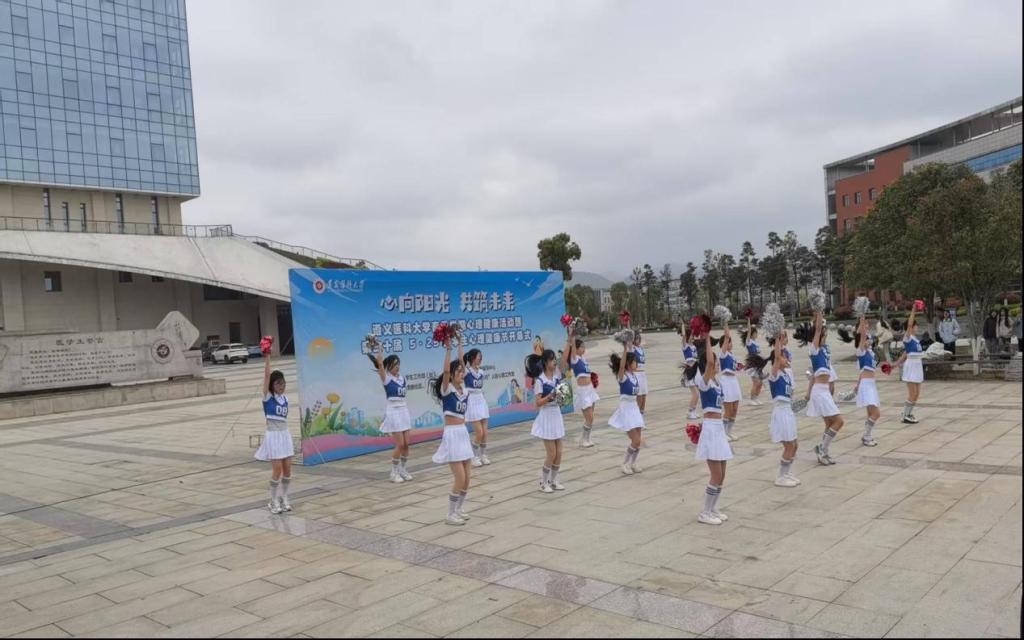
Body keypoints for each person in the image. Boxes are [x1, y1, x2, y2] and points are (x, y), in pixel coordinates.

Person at [685, 332, 733, 525]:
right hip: (711, 429)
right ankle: (705, 512)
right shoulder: (703, 383)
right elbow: (711, 362)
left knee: (723, 473)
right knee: (716, 474)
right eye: (714, 363)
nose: (717, 364)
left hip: (719, 428)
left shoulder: (716, 382)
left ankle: (713, 508)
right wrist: (706, 338)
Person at [430, 337, 474, 526]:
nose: (462, 374)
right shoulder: (447, 390)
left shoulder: (464, 391)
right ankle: (450, 514)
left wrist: (460, 342)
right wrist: (449, 349)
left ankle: (459, 509)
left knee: (467, 478)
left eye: (462, 372)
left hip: (463, 432)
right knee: (460, 477)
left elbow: (462, 362)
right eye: (459, 372)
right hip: (452, 434)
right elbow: (447, 371)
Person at [528, 330, 573, 492]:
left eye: (555, 359)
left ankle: (554, 480)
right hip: (546, 415)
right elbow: (537, 403)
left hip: (556, 414)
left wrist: (569, 338)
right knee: (551, 453)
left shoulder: (556, 375)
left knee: (559, 452)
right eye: (552, 359)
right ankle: (543, 482)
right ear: (546, 362)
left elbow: (565, 358)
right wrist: (549, 397)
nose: (555, 362)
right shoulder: (540, 380)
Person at [255, 351, 295, 514]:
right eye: (278, 384)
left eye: (283, 383)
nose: (281, 386)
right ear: (272, 385)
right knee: (277, 470)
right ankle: (273, 500)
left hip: (284, 434)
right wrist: (267, 357)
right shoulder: (268, 397)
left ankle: (284, 497)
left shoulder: (286, 399)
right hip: (273, 435)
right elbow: (266, 376)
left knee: (288, 470)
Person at [369, 347, 413, 484]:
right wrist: (379, 348)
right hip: (393, 411)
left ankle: (402, 469)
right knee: (400, 444)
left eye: (398, 364)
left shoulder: (402, 378)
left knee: (407, 444)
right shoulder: (386, 378)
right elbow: (380, 364)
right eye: (394, 364)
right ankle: (393, 472)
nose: (397, 367)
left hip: (404, 410)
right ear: (389, 366)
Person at [806, 310, 845, 465]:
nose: (824, 337)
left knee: (829, 424)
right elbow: (817, 330)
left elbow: (821, 328)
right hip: (819, 392)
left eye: (825, 335)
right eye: (823, 336)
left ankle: (824, 452)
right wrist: (820, 310)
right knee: (839, 421)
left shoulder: (824, 350)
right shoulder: (814, 349)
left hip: (824, 391)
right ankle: (822, 449)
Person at [766, 332, 800, 487]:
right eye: (784, 358)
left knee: (795, 445)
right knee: (789, 446)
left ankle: (786, 472)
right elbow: (777, 356)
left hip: (788, 411)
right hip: (781, 412)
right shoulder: (774, 375)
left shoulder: (786, 375)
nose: (787, 360)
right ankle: (781, 476)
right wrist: (777, 338)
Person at [608, 338, 645, 475]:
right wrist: (624, 350)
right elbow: (622, 367)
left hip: (634, 408)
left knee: (638, 440)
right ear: (629, 364)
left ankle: (633, 463)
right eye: (634, 362)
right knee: (635, 440)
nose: (636, 363)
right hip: (626, 409)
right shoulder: (623, 377)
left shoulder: (635, 376)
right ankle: (625, 464)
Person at [853, 316, 881, 447]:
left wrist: (857, 386)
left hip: (869, 384)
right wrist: (862, 317)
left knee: (870, 413)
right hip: (867, 385)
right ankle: (866, 436)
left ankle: (867, 435)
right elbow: (862, 335)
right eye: (867, 338)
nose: (869, 340)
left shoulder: (869, 352)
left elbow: (862, 372)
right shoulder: (861, 351)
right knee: (876, 413)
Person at [569, 331, 600, 448]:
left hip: (590, 389)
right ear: (576, 348)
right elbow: (572, 347)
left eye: (584, 347)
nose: (584, 349)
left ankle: (586, 438)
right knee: (589, 417)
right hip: (583, 391)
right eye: (582, 347)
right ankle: (584, 439)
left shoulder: (583, 359)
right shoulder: (575, 359)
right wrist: (572, 334)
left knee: (591, 417)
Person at [894, 307, 924, 424]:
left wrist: (896, 364)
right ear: (911, 327)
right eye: (915, 326)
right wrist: (914, 310)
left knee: (917, 394)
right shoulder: (907, 337)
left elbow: (906, 353)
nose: (917, 327)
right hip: (911, 366)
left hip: (917, 365)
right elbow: (910, 323)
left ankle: (908, 413)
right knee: (912, 393)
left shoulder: (915, 339)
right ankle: (905, 415)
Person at [463, 349, 491, 467]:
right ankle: (474, 457)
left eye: (481, 356)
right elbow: (461, 360)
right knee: (479, 432)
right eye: (478, 356)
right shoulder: (466, 371)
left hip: (481, 399)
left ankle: (483, 455)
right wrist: (459, 343)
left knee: (485, 432)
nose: (480, 358)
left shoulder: (481, 372)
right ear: (472, 357)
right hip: (472, 401)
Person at [717, 319, 742, 442]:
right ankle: (723, 433)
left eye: (731, 342)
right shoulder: (723, 354)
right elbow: (727, 336)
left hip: (733, 381)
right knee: (728, 409)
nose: (731, 344)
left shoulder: (732, 355)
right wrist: (725, 322)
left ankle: (729, 432)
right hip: (726, 382)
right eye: (729, 342)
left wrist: (742, 367)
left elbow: (735, 367)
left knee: (735, 408)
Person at [681, 325, 700, 420]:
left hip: (696, 371)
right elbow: (684, 336)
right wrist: (683, 325)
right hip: (689, 371)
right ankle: (689, 412)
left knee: (698, 393)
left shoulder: (694, 347)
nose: (693, 338)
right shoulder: (686, 347)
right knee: (695, 394)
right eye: (691, 336)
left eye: (693, 336)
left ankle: (694, 410)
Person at [744, 319, 764, 405]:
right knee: (756, 382)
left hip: (758, 365)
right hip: (752, 365)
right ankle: (752, 399)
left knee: (760, 383)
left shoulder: (756, 343)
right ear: (752, 334)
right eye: (755, 333)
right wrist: (749, 319)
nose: (757, 334)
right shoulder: (749, 342)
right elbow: (749, 330)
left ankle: (756, 398)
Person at [631, 332, 649, 416]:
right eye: (636, 338)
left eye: (639, 338)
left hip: (643, 373)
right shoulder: (632, 348)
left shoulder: (641, 349)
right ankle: (637, 413)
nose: (638, 340)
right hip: (637, 373)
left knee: (644, 394)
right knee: (639, 394)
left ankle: (642, 412)